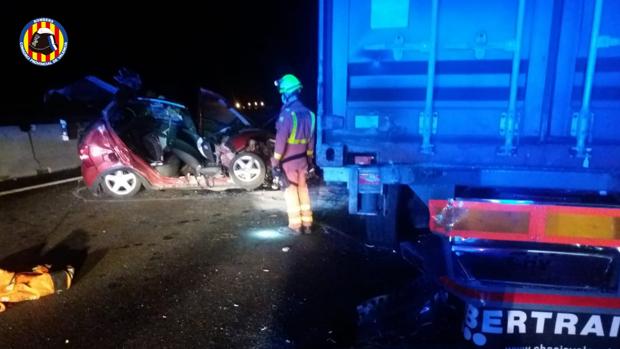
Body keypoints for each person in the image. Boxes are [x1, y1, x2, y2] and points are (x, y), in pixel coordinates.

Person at [271, 74, 316, 235]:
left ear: (287, 93)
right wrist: (310, 159)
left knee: (291, 193)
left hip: (288, 163)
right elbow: (311, 141)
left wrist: (275, 162)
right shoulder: (311, 115)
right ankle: (308, 224)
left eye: (282, 93)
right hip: (303, 160)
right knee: (303, 191)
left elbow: (280, 141)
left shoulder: (287, 114)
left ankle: (296, 226)